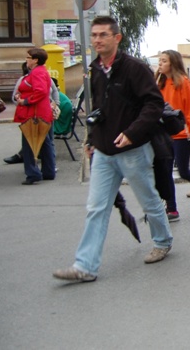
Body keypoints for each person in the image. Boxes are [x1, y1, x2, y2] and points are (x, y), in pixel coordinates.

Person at [53, 16, 172, 283]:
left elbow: (153, 105)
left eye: (103, 35)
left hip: (133, 151)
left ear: (116, 38)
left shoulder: (135, 68)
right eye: (94, 35)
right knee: (96, 208)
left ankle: (163, 240)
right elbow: (99, 109)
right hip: (105, 154)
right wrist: (92, 140)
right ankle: (85, 266)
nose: (97, 40)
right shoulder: (95, 69)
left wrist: (132, 133)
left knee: (149, 201)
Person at [157, 50, 190, 218]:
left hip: (181, 134)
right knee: (165, 172)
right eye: (160, 61)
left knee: (184, 171)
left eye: (164, 61)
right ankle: (172, 209)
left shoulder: (183, 83)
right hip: (164, 135)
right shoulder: (160, 82)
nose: (160, 64)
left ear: (172, 63)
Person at [13, 49, 56, 185]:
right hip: (42, 112)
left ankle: (32, 173)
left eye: (28, 57)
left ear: (35, 60)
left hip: (34, 113)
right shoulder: (41, 71)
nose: (26, 59)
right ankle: (48, 171)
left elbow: (41, 91)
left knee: (30, 144)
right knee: (45, 142)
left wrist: (25, 101)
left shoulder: (37, 72)